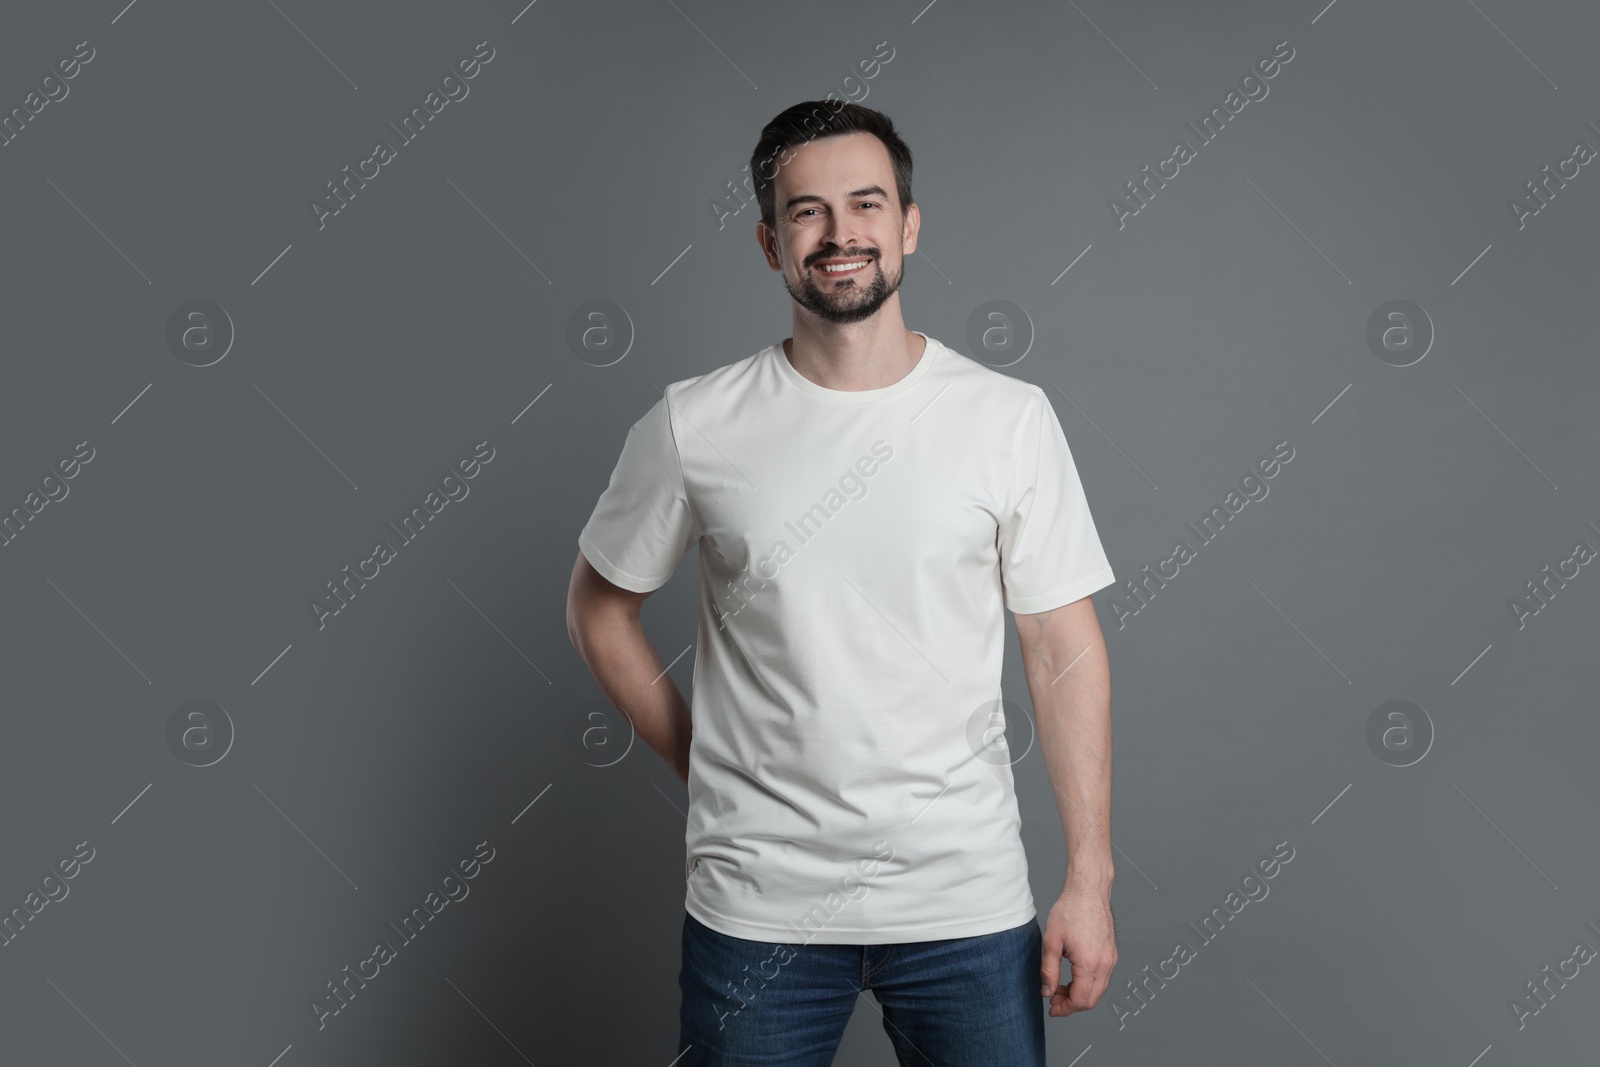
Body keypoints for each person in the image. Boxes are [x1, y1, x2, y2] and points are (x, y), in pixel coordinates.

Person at [566, 100, 1118, 1066]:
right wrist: (707, 768)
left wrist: (1091, 879)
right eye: (807, 211)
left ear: (908, 223)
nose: (840, 233)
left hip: (965, 903)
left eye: (866, 204)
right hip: (757, 909)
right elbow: (599, 609)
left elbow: (1061, 644)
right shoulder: (695, 423)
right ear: (769, 240)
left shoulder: (1007, 419)